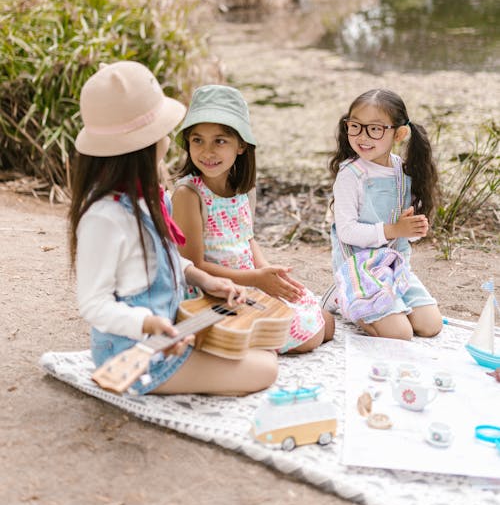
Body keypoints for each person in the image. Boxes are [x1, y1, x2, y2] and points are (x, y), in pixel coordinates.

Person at [69, 61, 278, 396]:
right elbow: (93, 304)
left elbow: (160, 260)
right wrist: (148, 325)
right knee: (265, 367)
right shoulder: (104, 218)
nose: (169, 138)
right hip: (139, 353)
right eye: (163, 131)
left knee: (256, 343)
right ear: (146, 144)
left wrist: (203, 278)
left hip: (171, 329)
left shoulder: (144, 196)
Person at [171, 84, 335, 353]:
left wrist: (269, 273)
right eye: (197, 140)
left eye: (219, 141)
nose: (207, 151)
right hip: (212, 291)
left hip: (249, 282)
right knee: (311, 335)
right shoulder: (189, 194)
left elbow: (246, 238)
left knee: (322, 321)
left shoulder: (243, 189)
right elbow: (194, 265)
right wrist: (256, 279)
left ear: (241, 146)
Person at [322, 88, 442, 340]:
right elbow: (346, 231)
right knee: (401, 334)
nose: (362, 137)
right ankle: (342, 294)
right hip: (358, 266)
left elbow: (405, 233)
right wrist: (394, 230)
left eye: (375, 129)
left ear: (398, 134)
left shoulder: (403, 172)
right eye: (355, 126)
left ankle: (386, 302)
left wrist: (413, 230)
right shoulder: (351, 175)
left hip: (394, 265)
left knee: (431, 325)